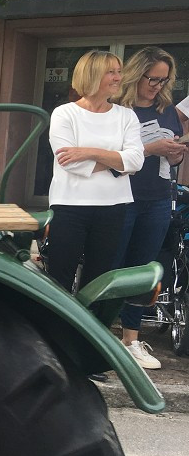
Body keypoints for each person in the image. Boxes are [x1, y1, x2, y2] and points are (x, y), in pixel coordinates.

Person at [45, 50, 145, 295]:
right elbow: (70, 162)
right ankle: (53, 331)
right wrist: (116, 163)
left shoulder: (126, 116)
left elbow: (136, 161)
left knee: (100, 279)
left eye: (119, 71)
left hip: (113, 206)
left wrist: (89, 152)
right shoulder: (64, 113)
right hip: (69, 204)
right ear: (92, 75)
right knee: (59, 275)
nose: (118, 77)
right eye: (111, 72)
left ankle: (92, 329)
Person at [112, 47, 187, 370]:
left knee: (143, 269)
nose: (157, 85)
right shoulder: (116, 109)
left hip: (157, 195)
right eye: (152, 78)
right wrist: (149, 147)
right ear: (136, 74)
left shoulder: (166, 109)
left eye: (163, 80)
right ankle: (100, 333)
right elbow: (109, 158)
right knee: (113, 266)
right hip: (119, 195)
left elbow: (175, 156)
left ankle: (131, 339)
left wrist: (174, 154)